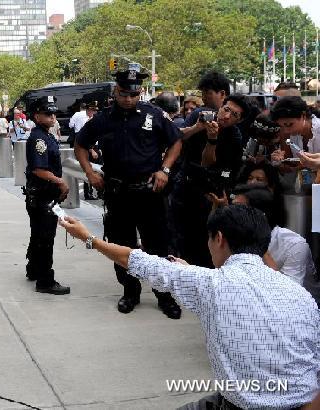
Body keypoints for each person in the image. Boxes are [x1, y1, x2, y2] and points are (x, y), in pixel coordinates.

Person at [60, 205, 320, 410]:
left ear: (219, 238)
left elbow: (133, 259)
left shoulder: (210, 285)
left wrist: (88, 237)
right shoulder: (300, 295)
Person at [74, 63, 183, 318]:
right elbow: (80, 145)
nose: (128, 99)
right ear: (116, 91)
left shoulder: (153, 114)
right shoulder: (102, 118)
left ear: (140, 92)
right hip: (118, 193)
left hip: (149, 193)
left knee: (158, 245)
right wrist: (89, 172)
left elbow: (176, 141)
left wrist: (165, 170)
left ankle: (164, 295)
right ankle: (130, 292)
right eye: (124, 93)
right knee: (122, 245)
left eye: (134, 94)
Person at [173, 70, 249, 268]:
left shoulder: (234, 137)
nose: (226, 116)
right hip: (186, 187)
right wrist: (199, 127)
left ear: (239, 120)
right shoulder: (201, 115)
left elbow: (210, 165)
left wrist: (212, 139)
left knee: (208, 245)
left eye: (234, 115)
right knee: (183, 241)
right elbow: (177, 136)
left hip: (210, 194)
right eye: (226, 109)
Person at [24, 95, 70, 295]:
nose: (52, 117)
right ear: (36, 116)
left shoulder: (47, 134)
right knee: (45, 238)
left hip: (43, 195)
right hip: (42, 195)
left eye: (53, 113)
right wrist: (60, 182)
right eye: (47, 113)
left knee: (38, 235)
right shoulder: (39, 138)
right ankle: (45, 280)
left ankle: (33, 269)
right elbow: (38, 169)